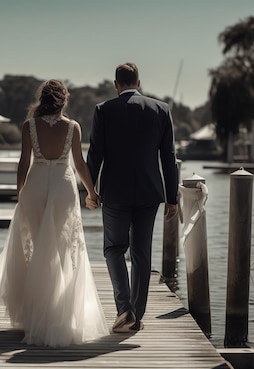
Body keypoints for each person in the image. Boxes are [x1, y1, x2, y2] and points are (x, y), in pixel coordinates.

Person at [0, 79, 109, 347]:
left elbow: (24, 162)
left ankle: (36, 313)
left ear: (42, 99)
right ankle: (59, 314)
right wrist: (92, 193)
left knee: (36, 248)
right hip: (62, 186)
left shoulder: (28, 127)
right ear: (63, 100)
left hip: (35, 185)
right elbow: (79, 163)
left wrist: (20, 193)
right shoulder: (72, 127)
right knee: (61, 249)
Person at [86, 62, 179, 333]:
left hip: (115, 191)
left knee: (114, 249)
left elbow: (96, 154)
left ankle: (124, 308)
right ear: (139, 82)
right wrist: (172, 197)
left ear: (116, 85)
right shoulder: (161, 110)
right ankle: (136, 315)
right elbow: (168, 158)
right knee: (142, 253)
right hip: (150, 192)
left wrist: (90, 191)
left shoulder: (104, 110)